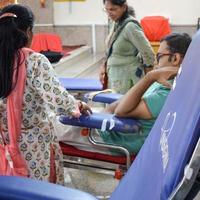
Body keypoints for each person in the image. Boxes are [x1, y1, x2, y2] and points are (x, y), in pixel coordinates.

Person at [0, 4, 91, 185]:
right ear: (28, 32)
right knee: (37, 190)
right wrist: (77, 106)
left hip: (4, 142)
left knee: (12, 188)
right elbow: (58, 100)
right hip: (33, 145)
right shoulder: (34, 61)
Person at [100, 33, 191, 154]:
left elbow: (121, 111)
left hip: (115, 141)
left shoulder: (167, 93)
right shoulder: (164, 81)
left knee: (69, 125)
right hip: (113, 129)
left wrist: (150, 77)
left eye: (159, 56)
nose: (155, 61)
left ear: (175, 58)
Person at [99, 0, 155, 94]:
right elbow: (110, 49)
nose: (109, 13)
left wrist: (148, 80)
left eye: (113, 9)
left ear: (124, 7)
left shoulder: (130, 26)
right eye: (106, 10)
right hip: (115, 77)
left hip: (129, 79)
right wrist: (103, 67)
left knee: (123, 107)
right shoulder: (114, 22)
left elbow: (148, 53)